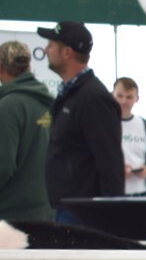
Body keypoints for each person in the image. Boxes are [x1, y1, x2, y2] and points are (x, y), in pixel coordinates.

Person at [37, 20, 122, 223]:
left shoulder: (93, 99)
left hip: (83, 212)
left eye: (51, 45)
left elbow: (110, 161)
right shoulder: (71, 95)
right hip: (66, 207)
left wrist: (111, 216)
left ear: (67, 52)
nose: (46, 50)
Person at [0, 40, 55, 221]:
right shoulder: (49, 103)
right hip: (46, 211)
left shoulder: (8, 106)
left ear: (1, 68)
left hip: (11, 216)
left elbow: (3, 165)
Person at [111, 77, 146, 196]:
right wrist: (115, 170)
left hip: (142, 194)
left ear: (137, 99)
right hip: (111, 193)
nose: (123, 101)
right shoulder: (102, 126)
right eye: (119, 96)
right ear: (112, 95)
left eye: (129, 97)